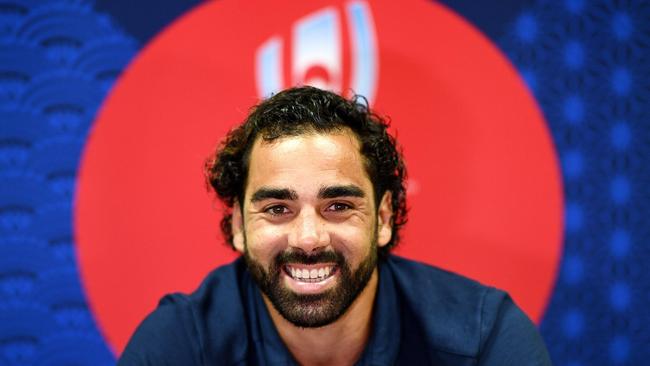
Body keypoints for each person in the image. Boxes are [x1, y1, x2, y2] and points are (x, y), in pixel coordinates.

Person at [118, 86, 552, 365]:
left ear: (382, 219)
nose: (309, 239)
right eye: (277, 209)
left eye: (339, 205)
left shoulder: (481, 339)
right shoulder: (180, 344)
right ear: (237, 225)